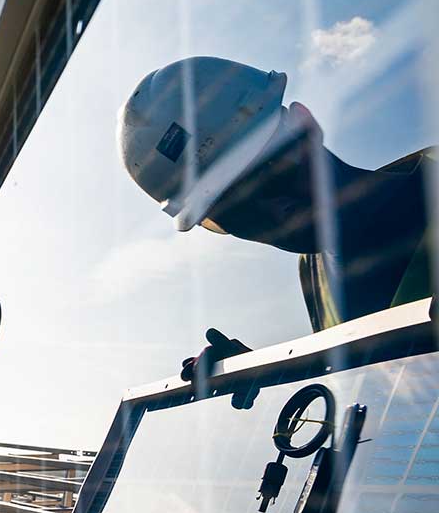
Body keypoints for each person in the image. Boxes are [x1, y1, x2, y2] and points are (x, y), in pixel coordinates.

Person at [117, 56, 433, 346]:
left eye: (273, 173)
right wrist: (273, 374)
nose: (277, 211)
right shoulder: (314, 273)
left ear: (305, 124)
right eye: (236, 212)